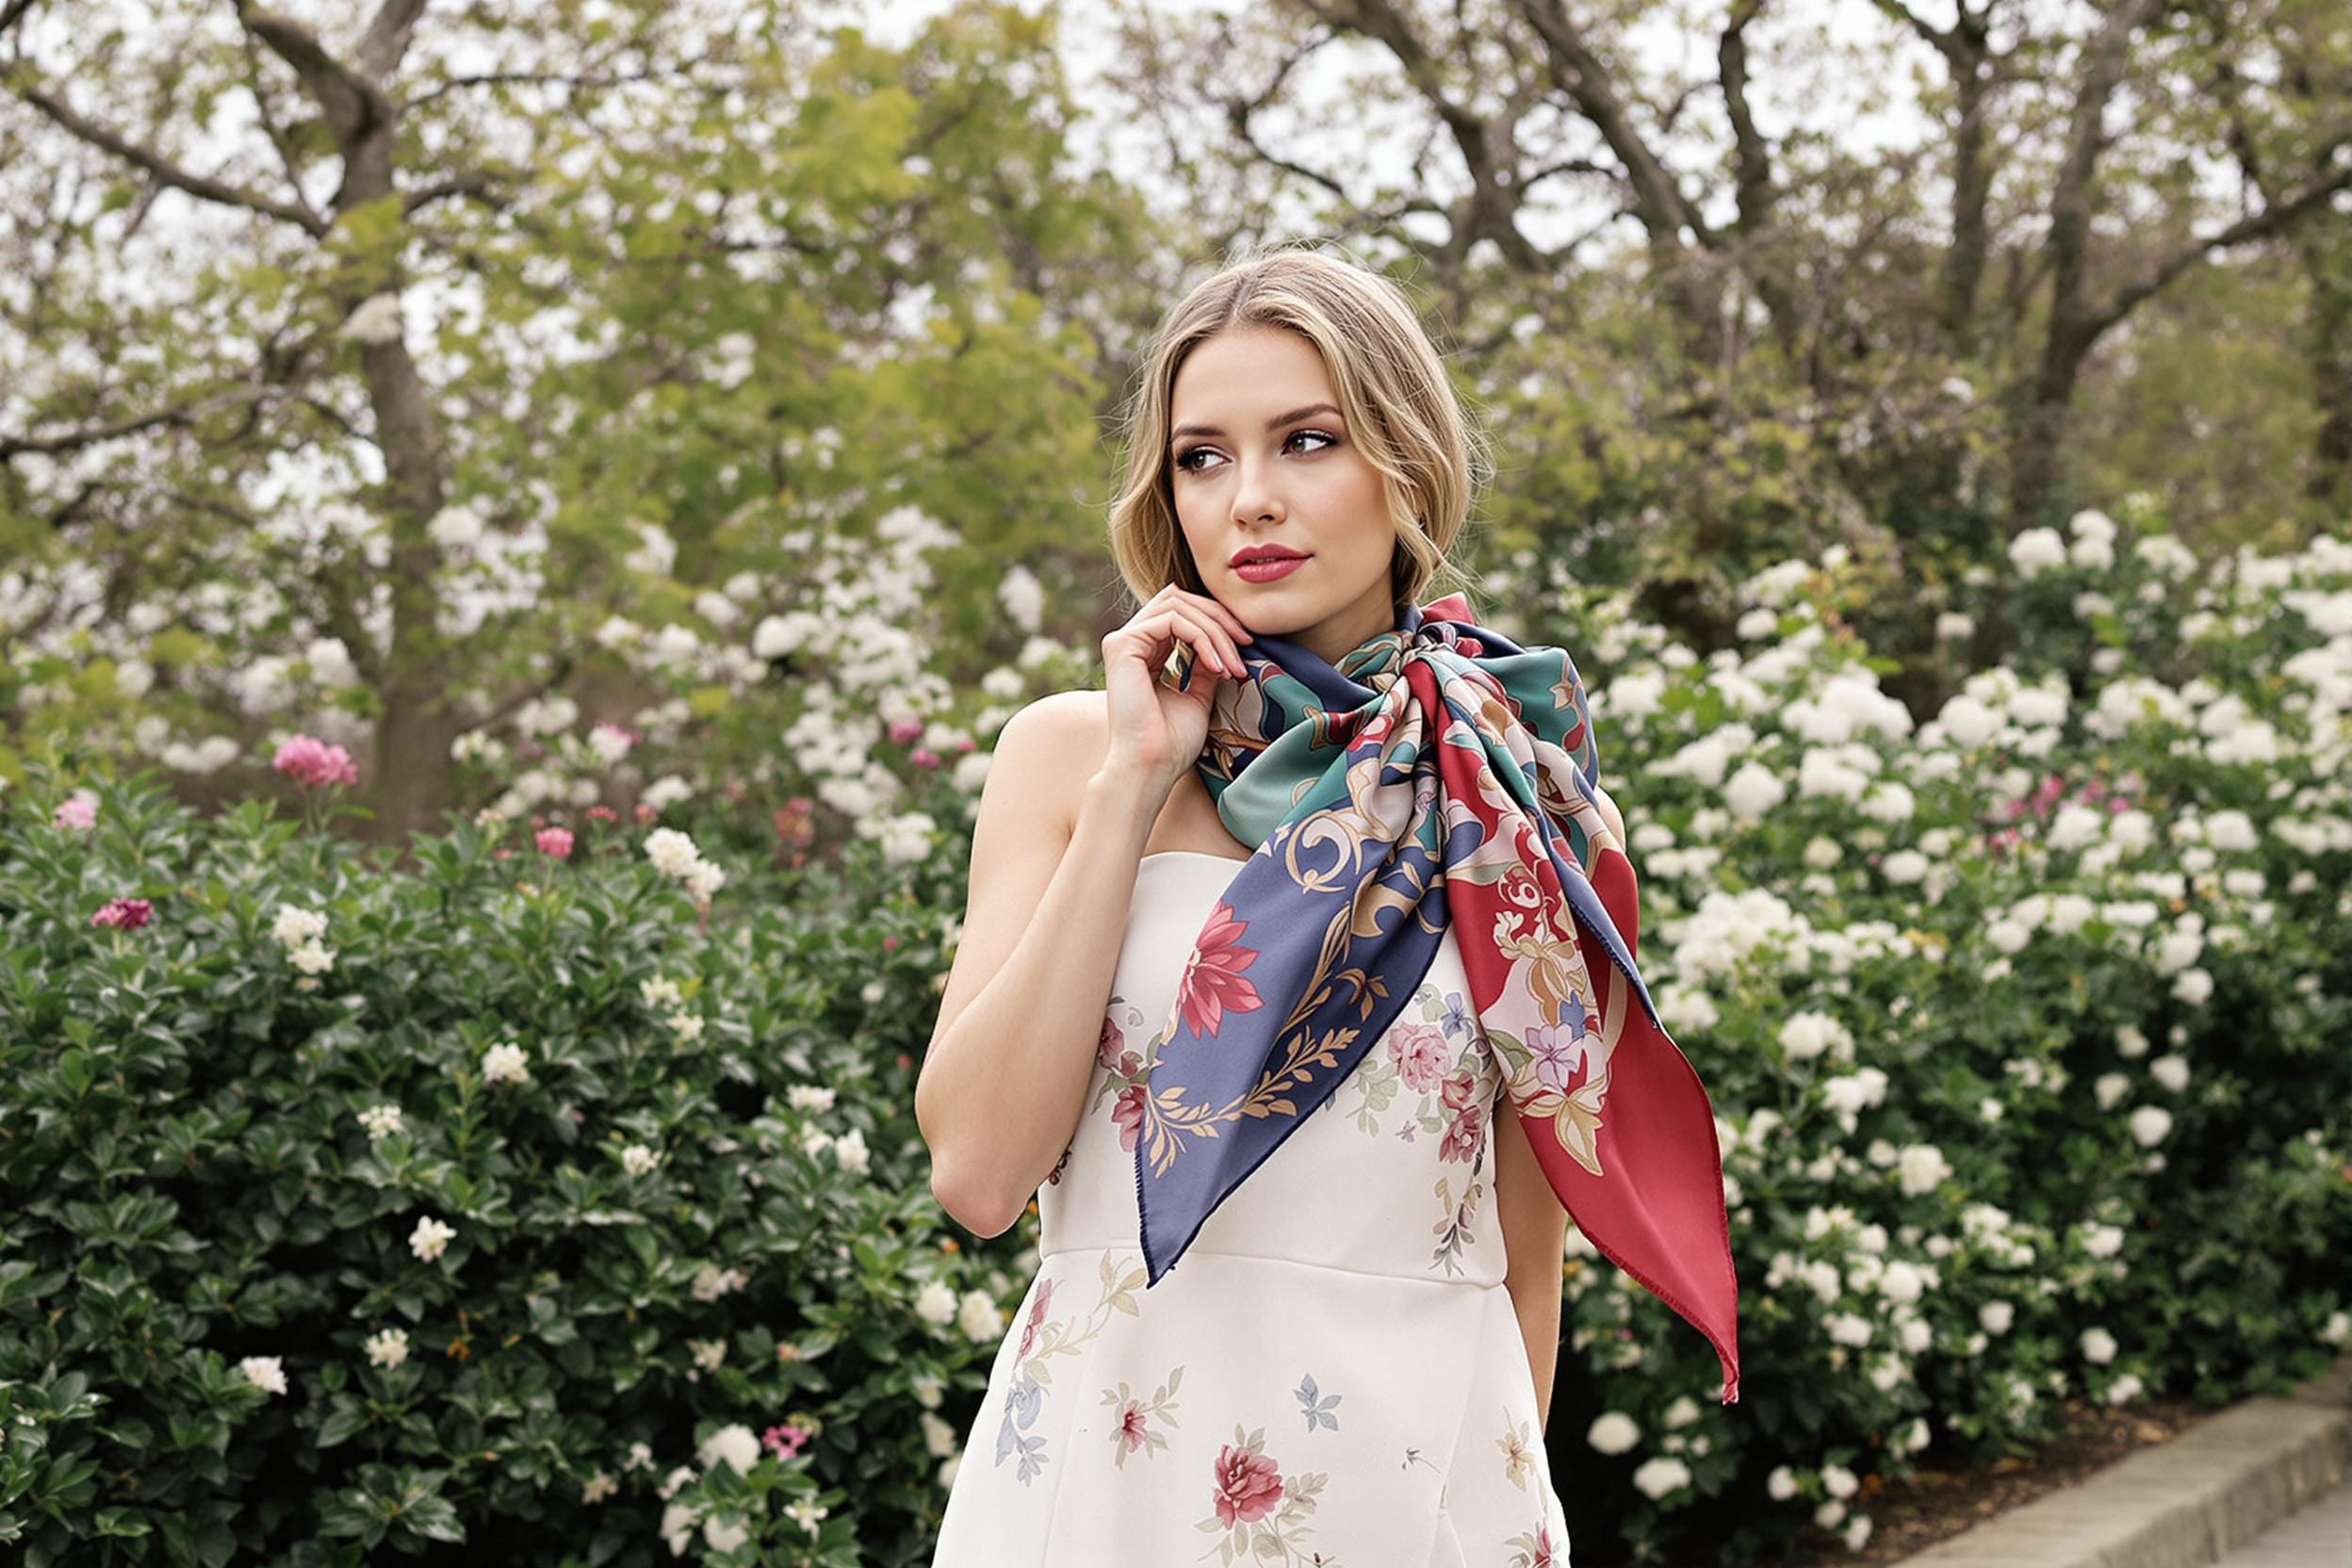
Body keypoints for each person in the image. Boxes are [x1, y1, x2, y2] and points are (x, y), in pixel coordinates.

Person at [917, 242, 1737, 1568]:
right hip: (1112, 1482)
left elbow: (1524, 1260)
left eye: (1307, 441)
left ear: (1404, 463)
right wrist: (1137, 782)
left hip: (1418, 1495)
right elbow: (978, 1174)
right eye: (1202, 457)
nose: (1249, 500)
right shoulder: (1072, 758)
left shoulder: (1519, 798)